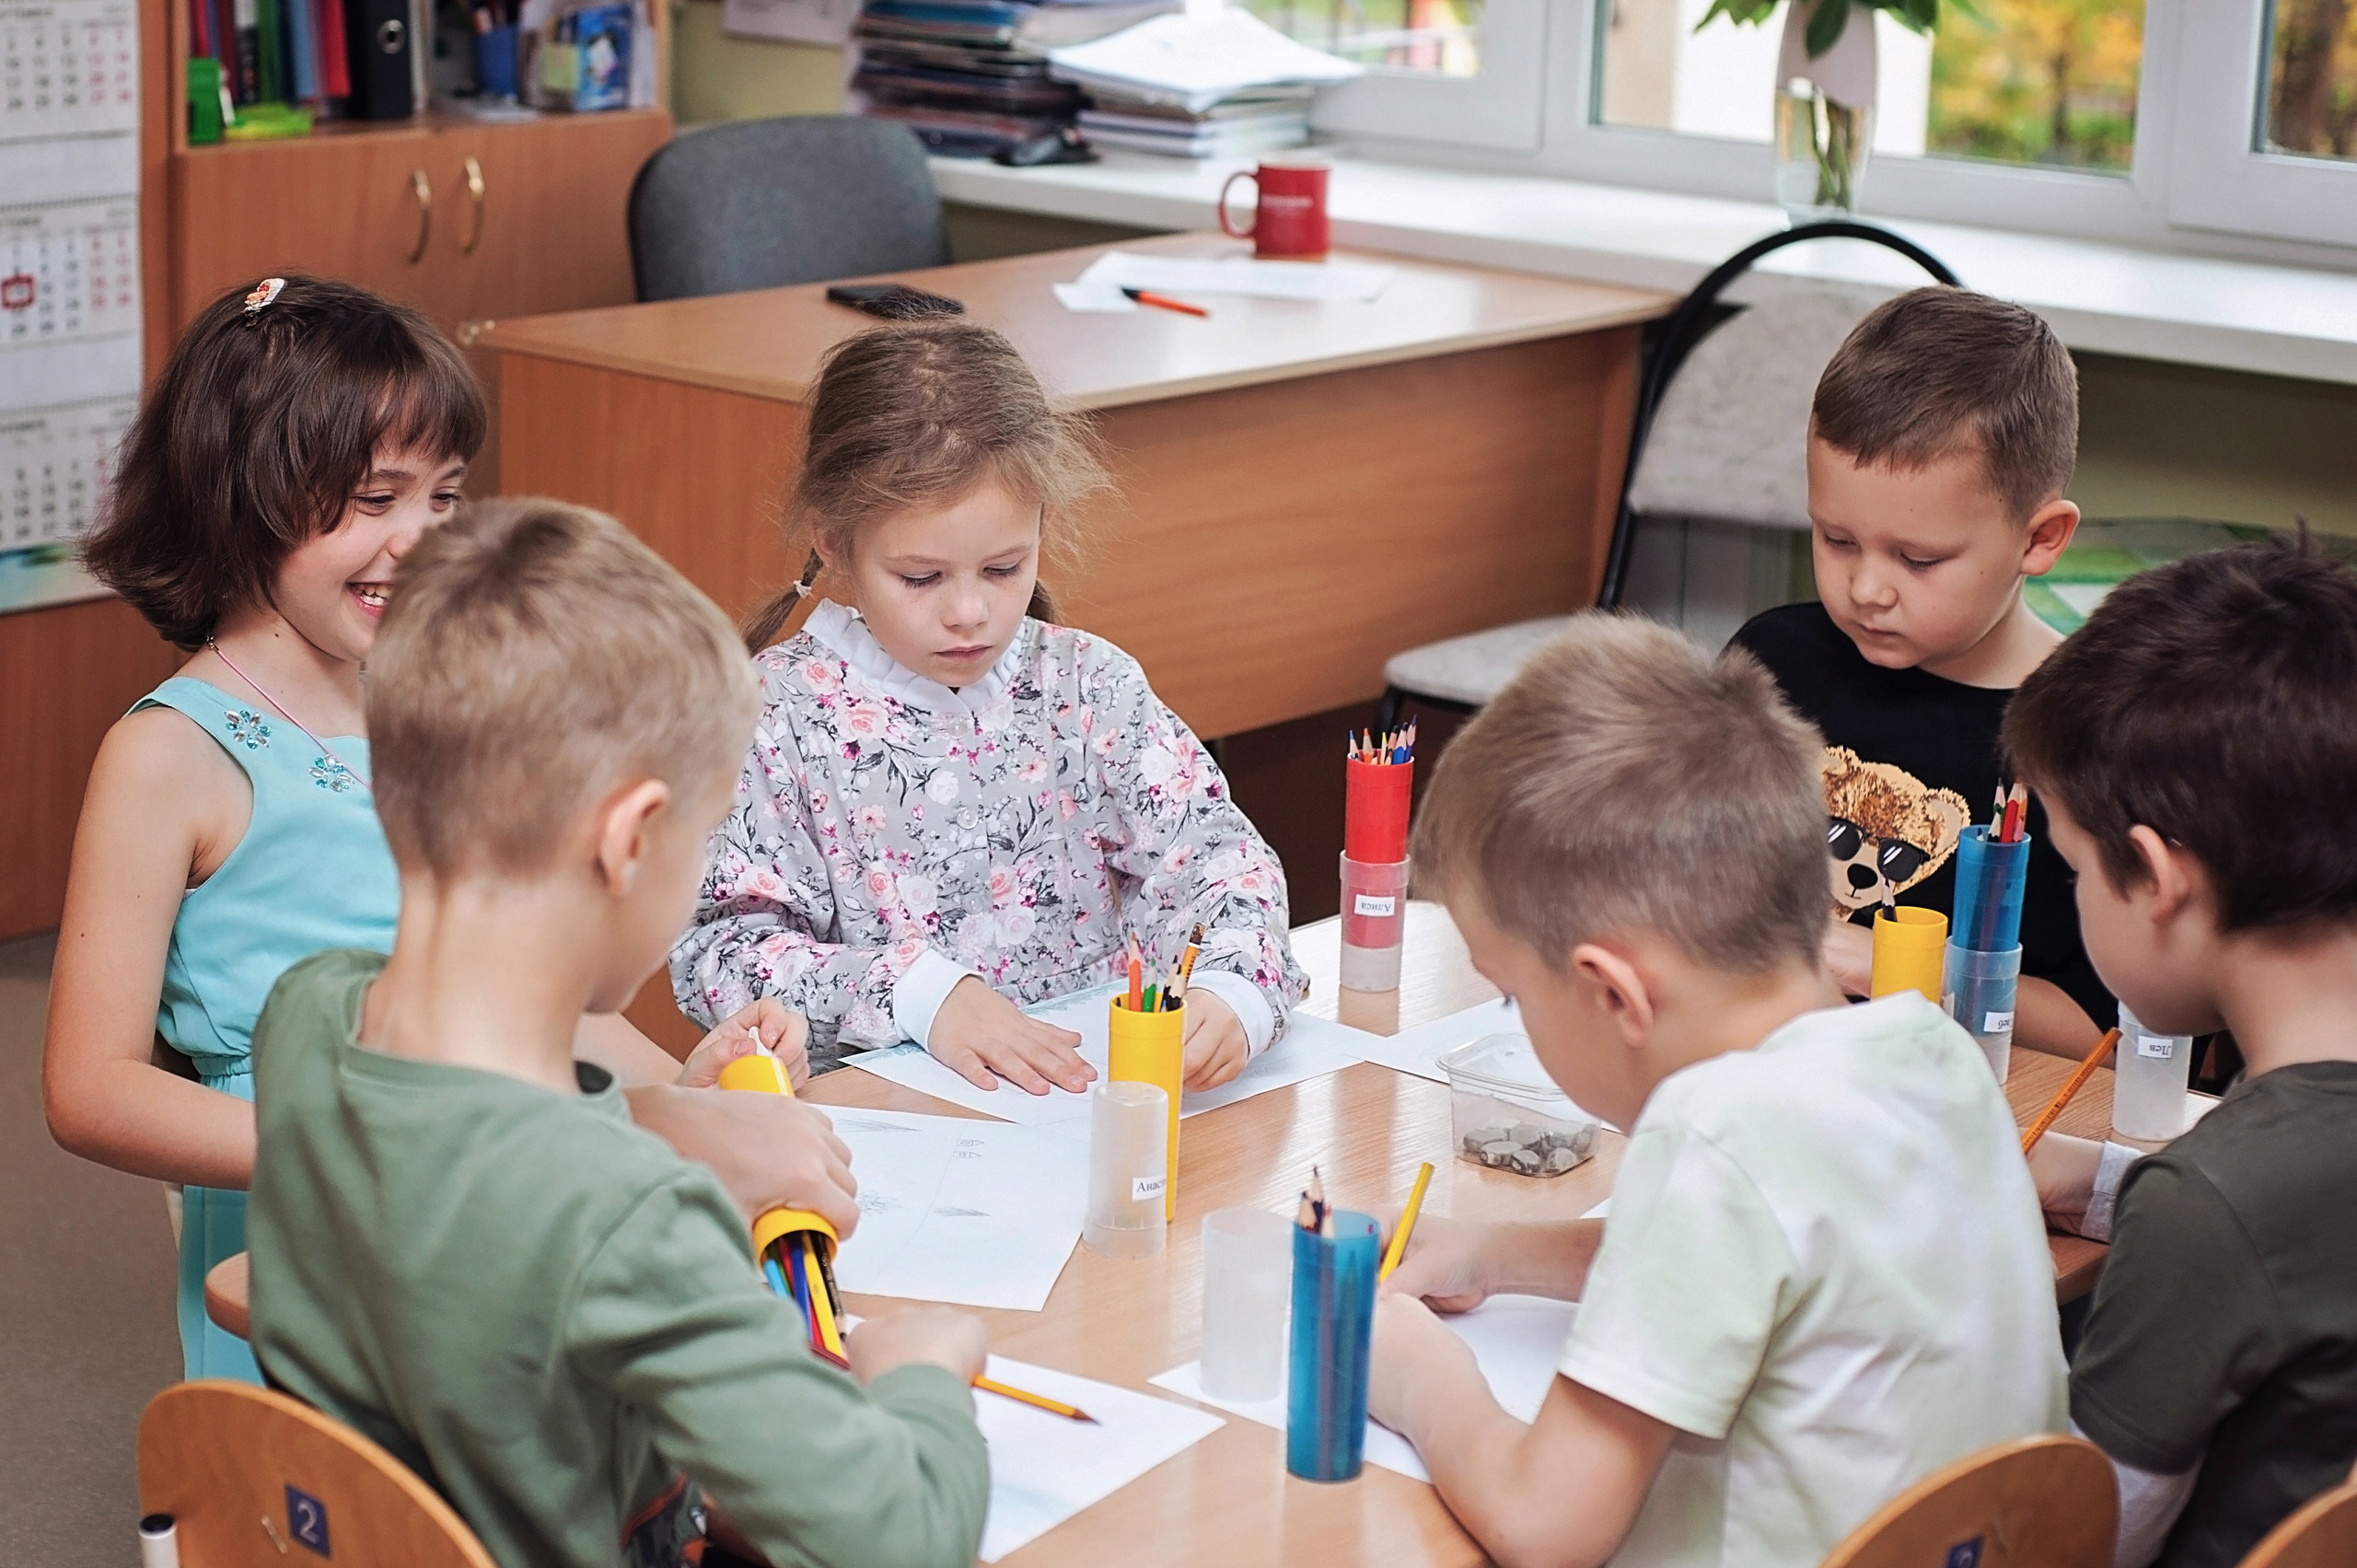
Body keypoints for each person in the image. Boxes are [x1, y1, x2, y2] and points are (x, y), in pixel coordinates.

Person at [43, 276, 835, 1384]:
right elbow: (90, 1089)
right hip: (317, 1237)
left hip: (500, 1192)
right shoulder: (169, 755)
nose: (419, 540)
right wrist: (376, 1142)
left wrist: (679, 1082)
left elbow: (516, 971)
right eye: (374, 498)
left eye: (446, 496)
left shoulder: (438, 702)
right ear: (242, 496)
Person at [247, 497, 990, 1568]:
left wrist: (664, 1118)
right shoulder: (629, 1218)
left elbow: (479, 1157)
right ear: (632, 838)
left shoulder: (306, 1013)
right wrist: (920, 1367)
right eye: (705, 833)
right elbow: (901, 1539)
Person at [1367, 614, 2065, 1568]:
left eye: (1511, 992)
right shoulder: (1929, 1053)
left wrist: (1417, 1380)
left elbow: (1544, 1524)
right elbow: (1754, 1267)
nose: (1513, 1016)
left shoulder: (1711, 1136)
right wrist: (1496, 1251)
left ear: (1612, 991)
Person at [671, 319, 1307, 1093]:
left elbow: (1216, 857)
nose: (970, 611)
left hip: (1088, 1121)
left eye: (1004, 567)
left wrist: (1232, 990)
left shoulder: (1086, 685)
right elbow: (719, 951)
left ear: (1041, 524)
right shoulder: (774, 717)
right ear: (833, 543)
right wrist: (920, 995)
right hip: (884, 1139)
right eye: (921, 577)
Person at [2009, 540, 2357, 1568]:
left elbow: (2079, 1541)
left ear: (2155, 875)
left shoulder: (2209, 1205)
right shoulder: (2262, 1166)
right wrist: (2112, 1180)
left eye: (2072, 866)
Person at [1727, 285, 2110, 1059]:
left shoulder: (2092, 736)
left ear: (2040, 540)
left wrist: (1902, 969)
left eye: (1918, 558)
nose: (1867, 588)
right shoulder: (1772, 663)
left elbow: (2095, 1030)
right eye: (1837, 538)